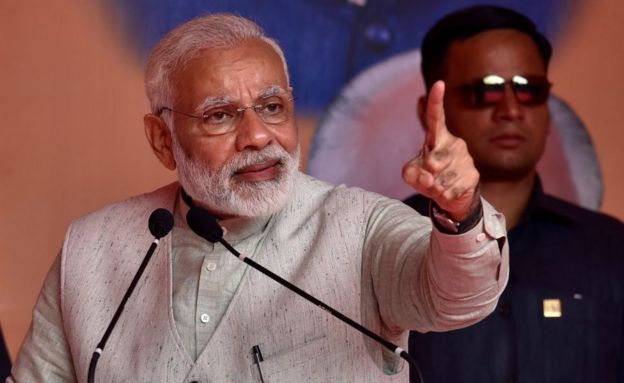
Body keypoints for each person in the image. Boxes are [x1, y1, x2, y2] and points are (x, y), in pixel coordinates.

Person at [8, 14, 508, 382]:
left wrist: (461, 213)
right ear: (163, 140)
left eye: (272, 107)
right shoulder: (91, 248)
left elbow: (456, 297)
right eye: (220, 115)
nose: (258, 136)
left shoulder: (361, 225)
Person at [405, 5, 624, 383]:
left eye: (529, 90)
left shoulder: (611, 249)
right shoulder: (385, 242)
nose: (511, 110)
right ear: (430, 112)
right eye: (484, 91)